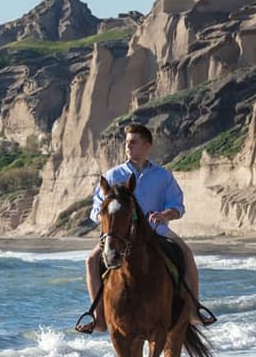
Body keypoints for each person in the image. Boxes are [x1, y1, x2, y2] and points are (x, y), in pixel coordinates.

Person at [76, 122, 210, 333]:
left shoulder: (163, 176)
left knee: (186, 253)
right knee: (91, 260)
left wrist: (165, 214)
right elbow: (95, 210)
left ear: (148, 146)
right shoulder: (112, 176)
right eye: (127, 143)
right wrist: (105, 216)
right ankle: (98, 317)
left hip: (157, 232)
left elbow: (178, 206)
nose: (128, 147)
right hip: (119, 235)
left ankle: (194, 311)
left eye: (134, 143)